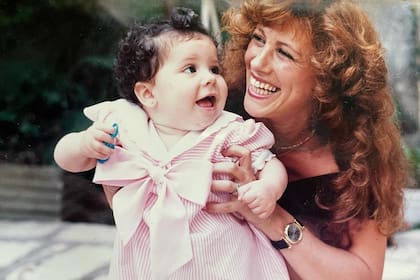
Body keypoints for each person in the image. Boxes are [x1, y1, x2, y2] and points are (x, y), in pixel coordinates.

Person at [54, 7, 289, 280]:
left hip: (221, 262)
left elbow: (270, 164)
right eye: (191, 69)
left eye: (214, 68)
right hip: (145, 265)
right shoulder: (125, 125)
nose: (210, 77)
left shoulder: (227, 131)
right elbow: (65, 158)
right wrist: (84, 144)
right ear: (148, 93)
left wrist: (268, 188)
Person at [203, 0, 410, 280]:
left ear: (325, 76)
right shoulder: (215, 107)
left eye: (284, 54)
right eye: (258, 38)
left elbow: (365, 275)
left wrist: (271, 217)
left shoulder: (355, 156)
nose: (258, 62)